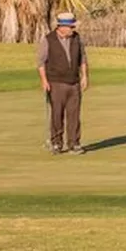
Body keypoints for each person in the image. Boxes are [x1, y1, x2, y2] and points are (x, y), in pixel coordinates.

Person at [37, 12, 89, 154]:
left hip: (74, 83)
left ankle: (74, 143)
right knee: (56, 114)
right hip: (56, 83)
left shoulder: (77, 38)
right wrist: (44, 81)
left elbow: (82, 58)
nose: (73, 29)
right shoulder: (48, 40)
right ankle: (56, 143)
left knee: (74, 115)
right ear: (62, 27)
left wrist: (85, 76)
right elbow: (41, 63)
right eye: (71, 26)